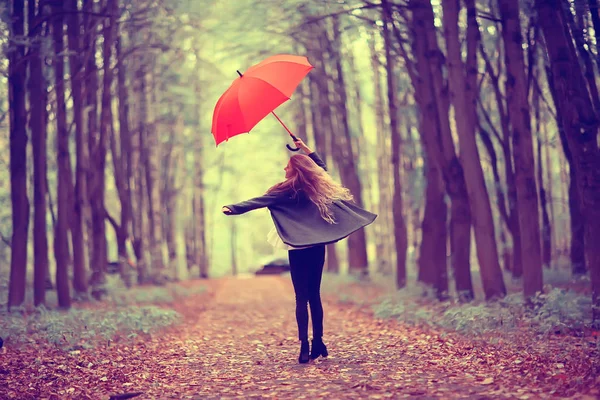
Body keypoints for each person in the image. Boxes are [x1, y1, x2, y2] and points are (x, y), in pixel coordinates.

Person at [222, 138, 377, 364]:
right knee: (314, 296)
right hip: (317, 246)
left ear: (296, 170)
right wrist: (306, 149)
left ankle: (305, 346)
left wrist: (233, 208)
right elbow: (321, 169)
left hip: (298, 247)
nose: (285, 168)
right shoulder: (315, 187)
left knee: (301, 297)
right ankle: (318, 342)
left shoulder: (286, 190)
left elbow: (259, 201)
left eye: (288, 166)